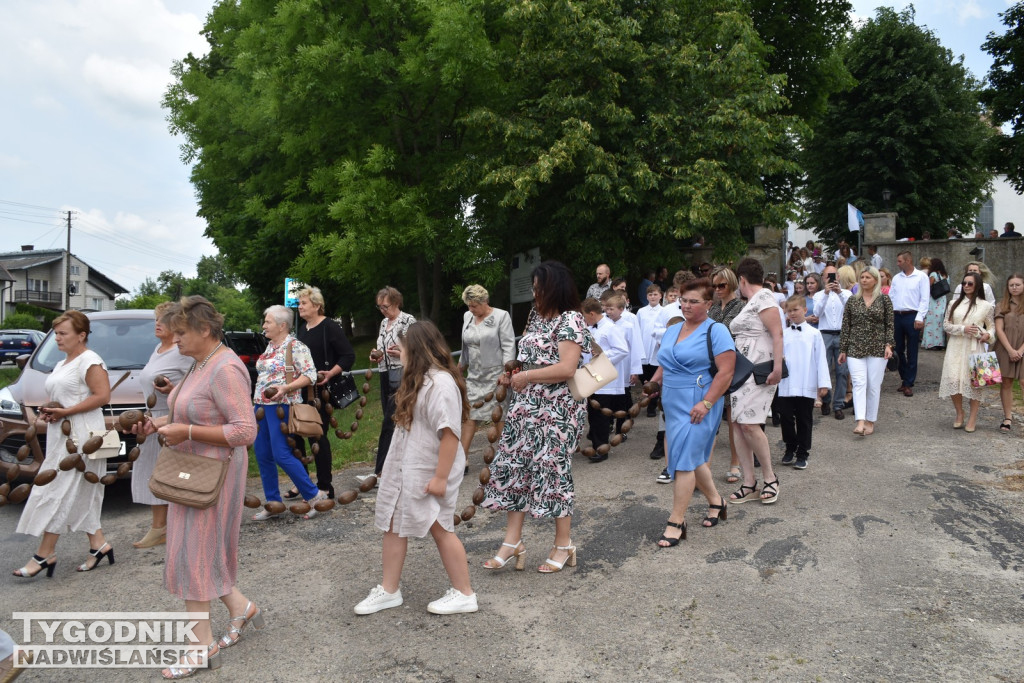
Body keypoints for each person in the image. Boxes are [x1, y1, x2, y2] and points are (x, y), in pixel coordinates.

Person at [135, 296, 261, 679]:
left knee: (194, 552)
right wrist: (159, 425)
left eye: (180, 334)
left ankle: (200, 647)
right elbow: (195, 408)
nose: (174, 342)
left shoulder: (225, 368)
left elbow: (244, 430)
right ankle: (241, 607)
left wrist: (185, 430)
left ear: (205, 330)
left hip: (212, 475)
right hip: (193, 471)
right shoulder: (200, 363)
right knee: (199, 547)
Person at [354, 321, 478, 616]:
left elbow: (450, 434)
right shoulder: (420, 378)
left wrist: (439, 478)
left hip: (430, 468)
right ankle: (389, 589)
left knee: (440, 527)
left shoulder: (440, 383)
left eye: (403, 347)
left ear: (418, 348)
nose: (399, 352)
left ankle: (464, 593)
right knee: (394, 523)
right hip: (406, 466)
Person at [481, 260, 593, 573]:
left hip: (557, 409)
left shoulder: (571, 319)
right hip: (525, 406)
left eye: (538, 287)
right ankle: (512, 541)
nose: (534, 292)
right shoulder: (536, 316)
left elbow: (567, 368)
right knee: (515, 468)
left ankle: (563, 543)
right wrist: (514, 373)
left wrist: (527, 376)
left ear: (553, 287)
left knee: (553, 471)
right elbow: (531, 358)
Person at [13, 311, 112, 578]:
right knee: (82, 491)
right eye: (56, 333)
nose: (58, 338)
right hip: (62, 432)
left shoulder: (90, 360)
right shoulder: (62, 363)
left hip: (82, 435)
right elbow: (64, 397)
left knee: (57, 490)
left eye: (63, 333)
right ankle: (99, 545)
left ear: (81, 335)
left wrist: (66, 412)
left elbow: (103, 396)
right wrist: (53, 410)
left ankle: (44, 554)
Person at [649, 278, 735, 546]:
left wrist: (707, 403)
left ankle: (676, 520)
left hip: (700, 401)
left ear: (708, 304)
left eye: (693, 301)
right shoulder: (674, 329)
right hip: (673, 401)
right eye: (683, 300)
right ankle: (716, 502)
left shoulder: (717, 330)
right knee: (694, 458)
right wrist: (654, 382)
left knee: (684, 459)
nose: (686, 305)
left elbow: (726, 372)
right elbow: (667, 361)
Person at [250, 305, 327, 520]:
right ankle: (273, 503)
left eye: (268, 322)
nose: (264, 325)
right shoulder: (270, 347)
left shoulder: (295, 346)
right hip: (261, 407)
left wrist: (286, 388)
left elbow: (310, 375)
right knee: (263, 454)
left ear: (282, 325)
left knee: (281, 453)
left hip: (282, 407)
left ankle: (314, 495)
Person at [131, 302, 193, 549]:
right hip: (151, 417)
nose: (157, 324)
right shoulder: (158, 349)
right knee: (152, 472)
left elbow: (194, 387)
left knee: (173, 474)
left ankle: (171, 527)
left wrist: (173, 390)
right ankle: (159, 528)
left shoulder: (181, 352)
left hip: (170, 418)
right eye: (156, 319)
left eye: (164, 320)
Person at [728, 258, 784, 505]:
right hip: (741, 372)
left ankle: (770, 478)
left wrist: (778, 368)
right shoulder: (751, 302)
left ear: (741, 280)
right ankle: (749, 482)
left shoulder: (764, 298)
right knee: (739, 423)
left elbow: (777, 334)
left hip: (759, 371)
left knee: (750, 424)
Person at [292, 286, 355, 499]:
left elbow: (348, 356)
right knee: (295, 435)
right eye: (299, 303)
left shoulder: (330, 326)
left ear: (317, 305)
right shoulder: (302, 328)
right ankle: (302, 482)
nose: (299, 307)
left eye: (304, 303)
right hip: (299, 390)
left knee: (316, 437)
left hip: (320, 393)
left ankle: (325, 485)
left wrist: (330, 373)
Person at [458, 284, 515, 460]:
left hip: (496, 375)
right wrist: (460, 368)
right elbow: (465, 347)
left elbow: (508, 345)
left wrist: (507, 372)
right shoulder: (468, 316)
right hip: (474, 376)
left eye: (474, 305)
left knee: (499, 415)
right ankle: (460, 460)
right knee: (469, 416)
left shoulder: (501, 316)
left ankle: (508, 458)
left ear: (485, 301)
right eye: (468, 305)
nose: (471, 309)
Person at [366, 286, 416, 483]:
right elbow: (381, 348)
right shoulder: (383, 323)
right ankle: (396, 466)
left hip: (402, 373)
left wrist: (401, 352)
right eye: (379, 307)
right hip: (385, 374)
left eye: (385, 306)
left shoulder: (408, 320)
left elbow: (414, 347)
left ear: (396, 303)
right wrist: (376, 354)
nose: (382, 310)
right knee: (392, 419)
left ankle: (381, 470)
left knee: (391, 420)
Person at [838, 267, 894, 436]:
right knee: (859, 383)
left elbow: (890, 324)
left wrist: (889, 345)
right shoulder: (853, 301)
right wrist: (843, 349)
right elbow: (846, 325)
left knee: (873, 385)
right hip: (855, 346)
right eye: (861, 277)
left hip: (878, 347)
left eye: (867, 277)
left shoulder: (884, 300)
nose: (863, 280)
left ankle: (870, 421)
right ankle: (860, 420)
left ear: (875, 280)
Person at [777, 295, 830, 469]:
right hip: (786, 382)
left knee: (804, 419)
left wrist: (823, 383)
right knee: (785, 417)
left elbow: (821, 358)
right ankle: (790, 448)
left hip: (806, 381)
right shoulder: (783, 334)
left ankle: (802, 453)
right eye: (789, 310)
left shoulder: (814, 334)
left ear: (805, 310)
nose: (792, 313)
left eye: (795, 310)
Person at [940, 272, 996, 433]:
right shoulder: (953, 303)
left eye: (970, 283)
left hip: (975, 347)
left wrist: (988, 335)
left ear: (977, 285)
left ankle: (972, 417)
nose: (966, 286)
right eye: (964, 283)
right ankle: (959, 412)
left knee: (975, 382)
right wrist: (962, 329)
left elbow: (991, 327)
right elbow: (946, 325)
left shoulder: (986, 305)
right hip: (956, 346)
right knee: (953, 379)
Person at [580, 298, 629, 462]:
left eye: (585, 316)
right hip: (592, 376)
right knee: (593, 413)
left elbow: (622, 350)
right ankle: (596, 443)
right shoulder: (589, 327)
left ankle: (601, 448)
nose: (584, 319)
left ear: (592, 314)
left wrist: (602, 355)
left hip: (605, 378)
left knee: (601, 413)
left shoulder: (610, 328)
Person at [709, 266, 744, 484]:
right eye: (714, 286)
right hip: (712, 366)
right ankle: (705, 465)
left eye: (721, 285)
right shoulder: (712, 309)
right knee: (709, 417)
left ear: (731, 283)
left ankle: (735, 462)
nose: (718, 289)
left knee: (733, 418)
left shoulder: (742, 307)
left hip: (734, 365)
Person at [888, 250, 931, 397]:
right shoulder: (896, 278)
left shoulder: (921, 277)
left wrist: (920, 317)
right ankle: (905, 377)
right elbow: (891, 297)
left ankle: (908, 382)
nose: (897, 263)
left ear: (908, 261)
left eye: (900, 261)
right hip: (897, 315)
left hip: (912, 315)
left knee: (912, 351)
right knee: (898, 349)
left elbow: (925, 299)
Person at [814, 264, 852, 418]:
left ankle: (838, 404)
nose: (831, 278)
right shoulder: (818, 295)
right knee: (825, 369)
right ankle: (826, 399)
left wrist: (839, 292)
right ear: (823, 279)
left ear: (838, 277)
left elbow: (850, 310)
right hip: (825, 334)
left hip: (842, 333)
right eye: (827, 276)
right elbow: (817, 313)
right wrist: (826, 293)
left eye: (834, 275)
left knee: (842, 371)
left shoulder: (847, 293)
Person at [994, 273, 1024, 433]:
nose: (1014, 287)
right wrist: (1011, 350)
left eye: (1017, 284)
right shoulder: (1002, 305)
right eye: (1011, 285)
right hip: (1006, 349)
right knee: (1006, 382)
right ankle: (1007, 417)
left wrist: (1020, 350)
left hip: (1022, 348)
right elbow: (999, 329)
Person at [636, 284, 665, 418]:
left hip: (655, 348)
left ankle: (652, 405)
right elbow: (638, 329)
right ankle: (649, 395)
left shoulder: (664, 311)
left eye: (655, 294)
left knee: (654, 376)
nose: (653, 297)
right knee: (644, 376)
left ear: (660, 295)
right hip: (643, 346)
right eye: (650, 294)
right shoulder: (641, 311)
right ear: (647, 296)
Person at [922, 258, 949, 350]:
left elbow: (928, 286)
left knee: (931, 320)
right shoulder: (946, 275)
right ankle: (940, 343)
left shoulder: (933, 274)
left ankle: (931, 343)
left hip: (934, 299)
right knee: (940, 321)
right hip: (942, 299)